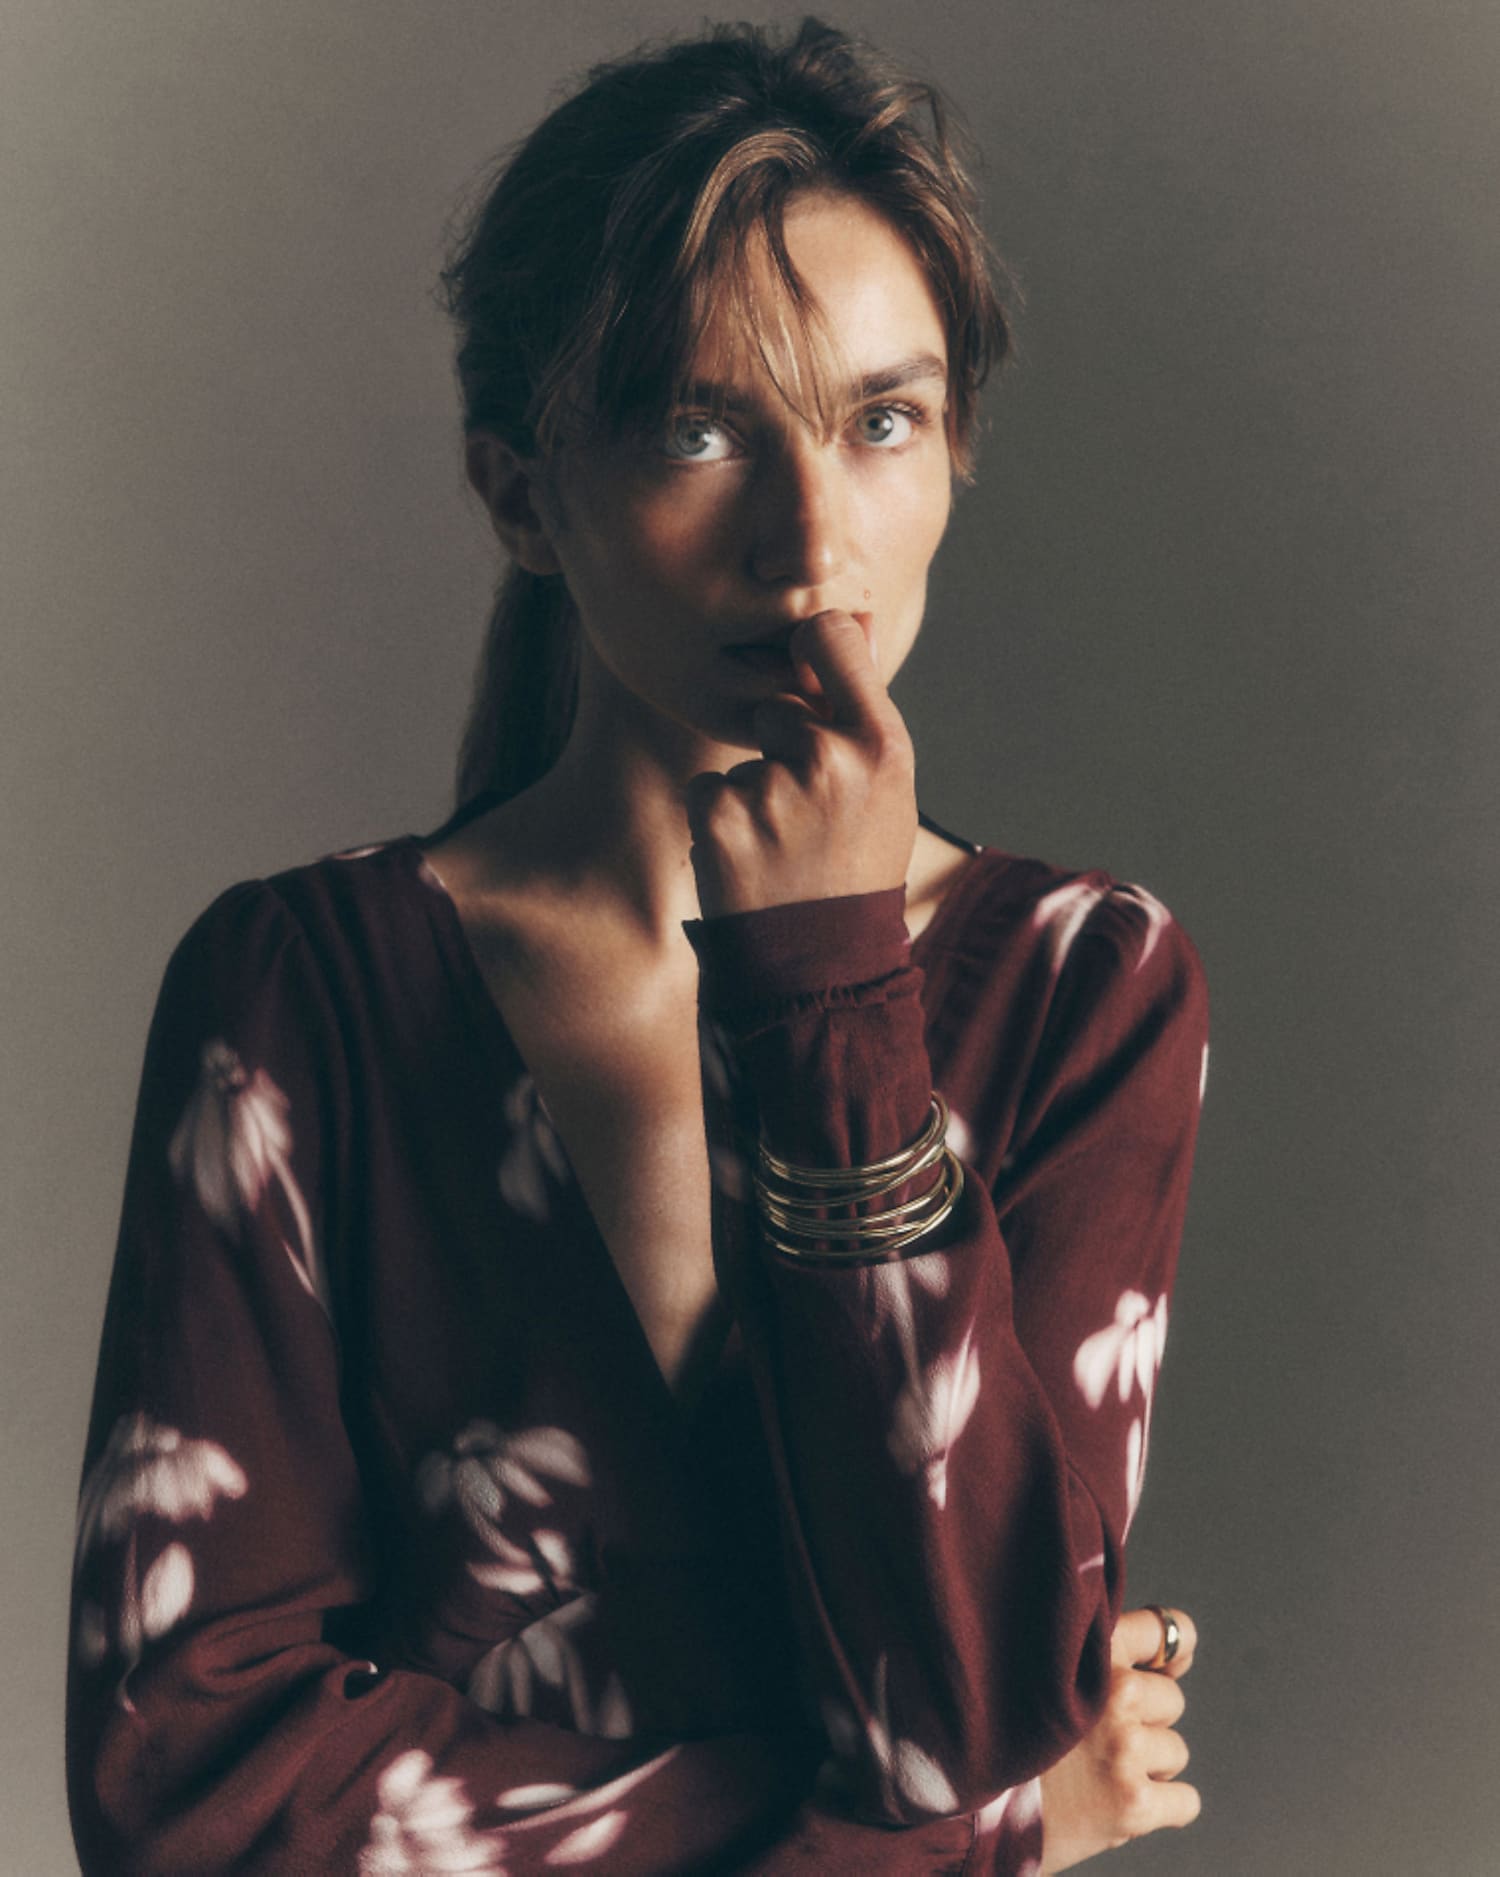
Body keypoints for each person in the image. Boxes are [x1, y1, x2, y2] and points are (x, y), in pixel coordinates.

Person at [66, 18, 1208, 1874]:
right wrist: (959, 1845)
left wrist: (832, 983)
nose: (810, 536)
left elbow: (966, 1709)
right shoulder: (301, 995)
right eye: (699, 427)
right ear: (523, 492)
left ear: (955, 451)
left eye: (881, 418)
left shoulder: (1091, 985)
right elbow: (187, 1794)